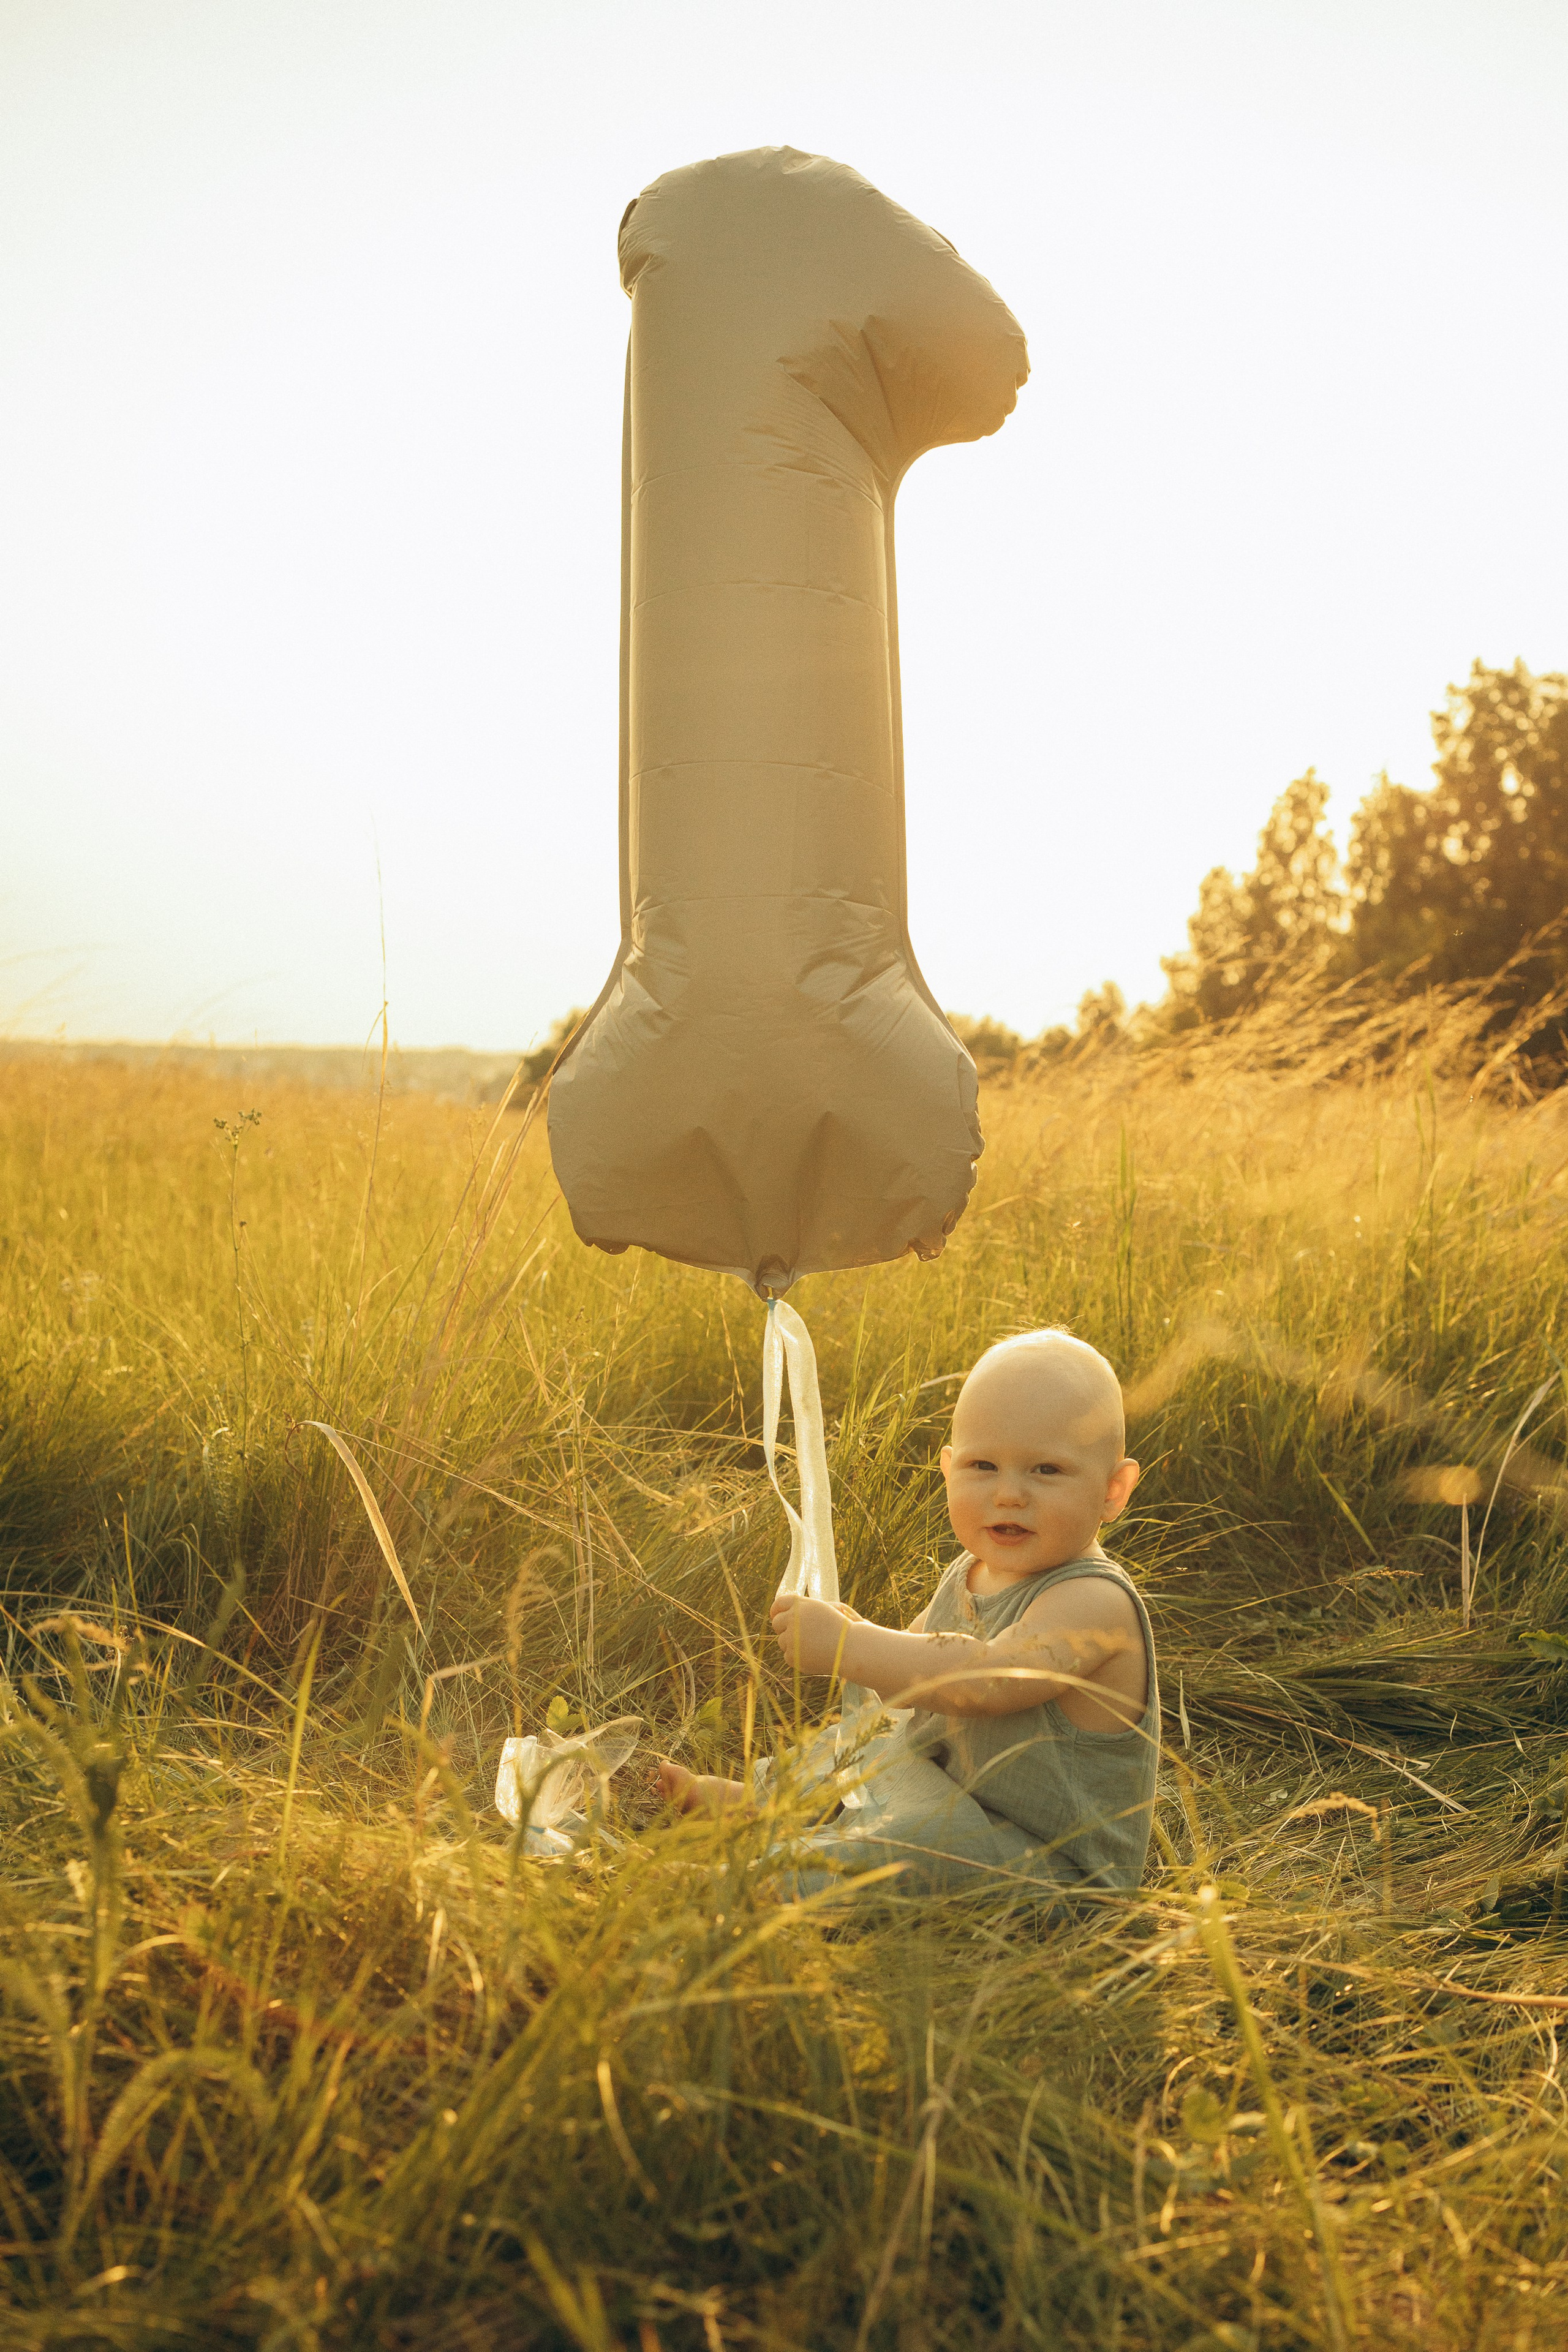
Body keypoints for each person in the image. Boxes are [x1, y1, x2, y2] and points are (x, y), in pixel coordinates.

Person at [657, 1327, 1161, 1901]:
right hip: (949, 1796)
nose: (1009, 1494)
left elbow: (988, 1681)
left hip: (1045, 1865)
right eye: (983, 1466)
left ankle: (773, 1882)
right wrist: (865, 1639)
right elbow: (908, 1684)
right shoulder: (969, 1572)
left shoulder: (1095, 1601)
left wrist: (853, 1644)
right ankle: (769, 1802)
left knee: (911, 1849)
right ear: (948, 1469)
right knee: (873, 1741)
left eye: (1046, 1470)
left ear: (1113, 1491)